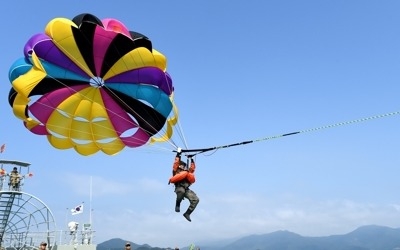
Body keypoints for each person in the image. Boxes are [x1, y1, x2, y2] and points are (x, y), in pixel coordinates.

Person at [169, 148, 199, 222]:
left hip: (186, 189)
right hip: (179, 188)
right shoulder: (176, 170)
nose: (183, 167)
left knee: (196, 199)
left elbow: (192, 169)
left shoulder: (187, 172)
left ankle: (187, 213)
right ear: (179, 166)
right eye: (182, 166)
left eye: (184, 166)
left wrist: (191, 159)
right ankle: (177, 204)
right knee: (181, 191)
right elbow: (176, 163)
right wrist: (178, 154)